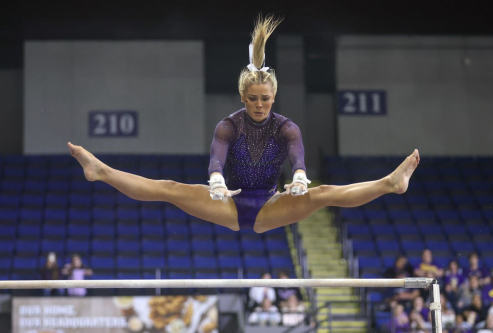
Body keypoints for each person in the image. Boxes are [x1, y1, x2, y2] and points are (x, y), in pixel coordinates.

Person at [67, 15, 420, 233]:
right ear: (242, 97)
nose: (259, 105)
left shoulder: (287, 127)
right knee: (170, 188)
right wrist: (217, 182)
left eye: (265, 99)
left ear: (274, 97)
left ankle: (390, 183)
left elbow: (298, 158)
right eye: (252, 99)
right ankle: (102, 172)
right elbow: (216, 160)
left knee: (323, 194)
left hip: (269, 205)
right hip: (228, 203)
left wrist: (299, 178)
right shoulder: (228, 126)